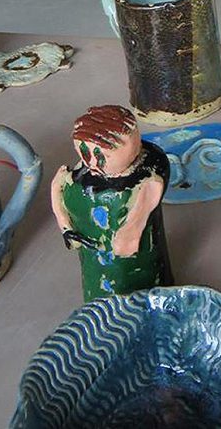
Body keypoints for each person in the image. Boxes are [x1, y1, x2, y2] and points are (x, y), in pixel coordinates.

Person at [50, 104, 173, 301]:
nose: (91, 161)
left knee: (135, 289)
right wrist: (66, 228)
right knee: (100, 293)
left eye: (100, 155)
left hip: (135, 265)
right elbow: (57, 192)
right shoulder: (77, 178)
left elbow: (136, 222)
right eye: (83, 150)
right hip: (93, 261)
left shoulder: (148, 177)